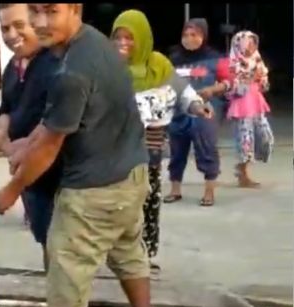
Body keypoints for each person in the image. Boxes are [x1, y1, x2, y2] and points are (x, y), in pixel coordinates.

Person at [0, 4, 164, 307]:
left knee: (66, 266)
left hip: (94, 187)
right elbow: (54, 126)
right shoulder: (93, 44)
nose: (39, 23)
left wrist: (12, 188)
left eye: (50, 11)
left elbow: (52, 145)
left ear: (75, 9)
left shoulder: (71, 70)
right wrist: (23, 145)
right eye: (34, 12)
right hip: (130, 175)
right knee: (129, 256)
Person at [111, 10, 213, 272]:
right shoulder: (105, 65)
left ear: (143, 38)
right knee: (115, 206)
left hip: (149, 152)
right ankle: (117, 255)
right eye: (118, 37)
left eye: (129, 37)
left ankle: (143, 256)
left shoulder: (159, 66)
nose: (123, 43)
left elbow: (183, 93)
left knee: (148, 203)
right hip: (112, 153)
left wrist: (198, 106)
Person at [0, 3, 64, 307]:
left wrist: (13, 180)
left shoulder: (56, 65)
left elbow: (51, 131)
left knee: (62, 249)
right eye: (5, 28)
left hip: (56, 170)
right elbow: (7, 107)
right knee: (47, 243)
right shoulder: (14, 67)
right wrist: (2, 131)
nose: (12, 35)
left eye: (20, 25)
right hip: (29, 172)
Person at [165, 19, 227, 206]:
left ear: (204, 36)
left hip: (205, 113)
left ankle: (209, 192)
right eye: (186, 35)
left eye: (194, 35)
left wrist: (213, 90)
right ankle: (175, 190)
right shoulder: (173, 58)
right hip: (178, 113)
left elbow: (229, 83)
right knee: (176, 152)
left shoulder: (216, 58)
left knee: (207, 149)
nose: (189, 38)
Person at [224, 30, 274, 187]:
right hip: (242, 105)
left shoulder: (257, 60)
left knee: (266, 136)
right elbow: (231, 88)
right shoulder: (233, 64)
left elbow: (264, 85)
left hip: (256, 102)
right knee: (246, 140)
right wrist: (252, 77)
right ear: (239, 44)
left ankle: (242, 168)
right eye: (248, 42)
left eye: (253, 42)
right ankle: (243, 173)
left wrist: (261, 79)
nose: (251, 45)